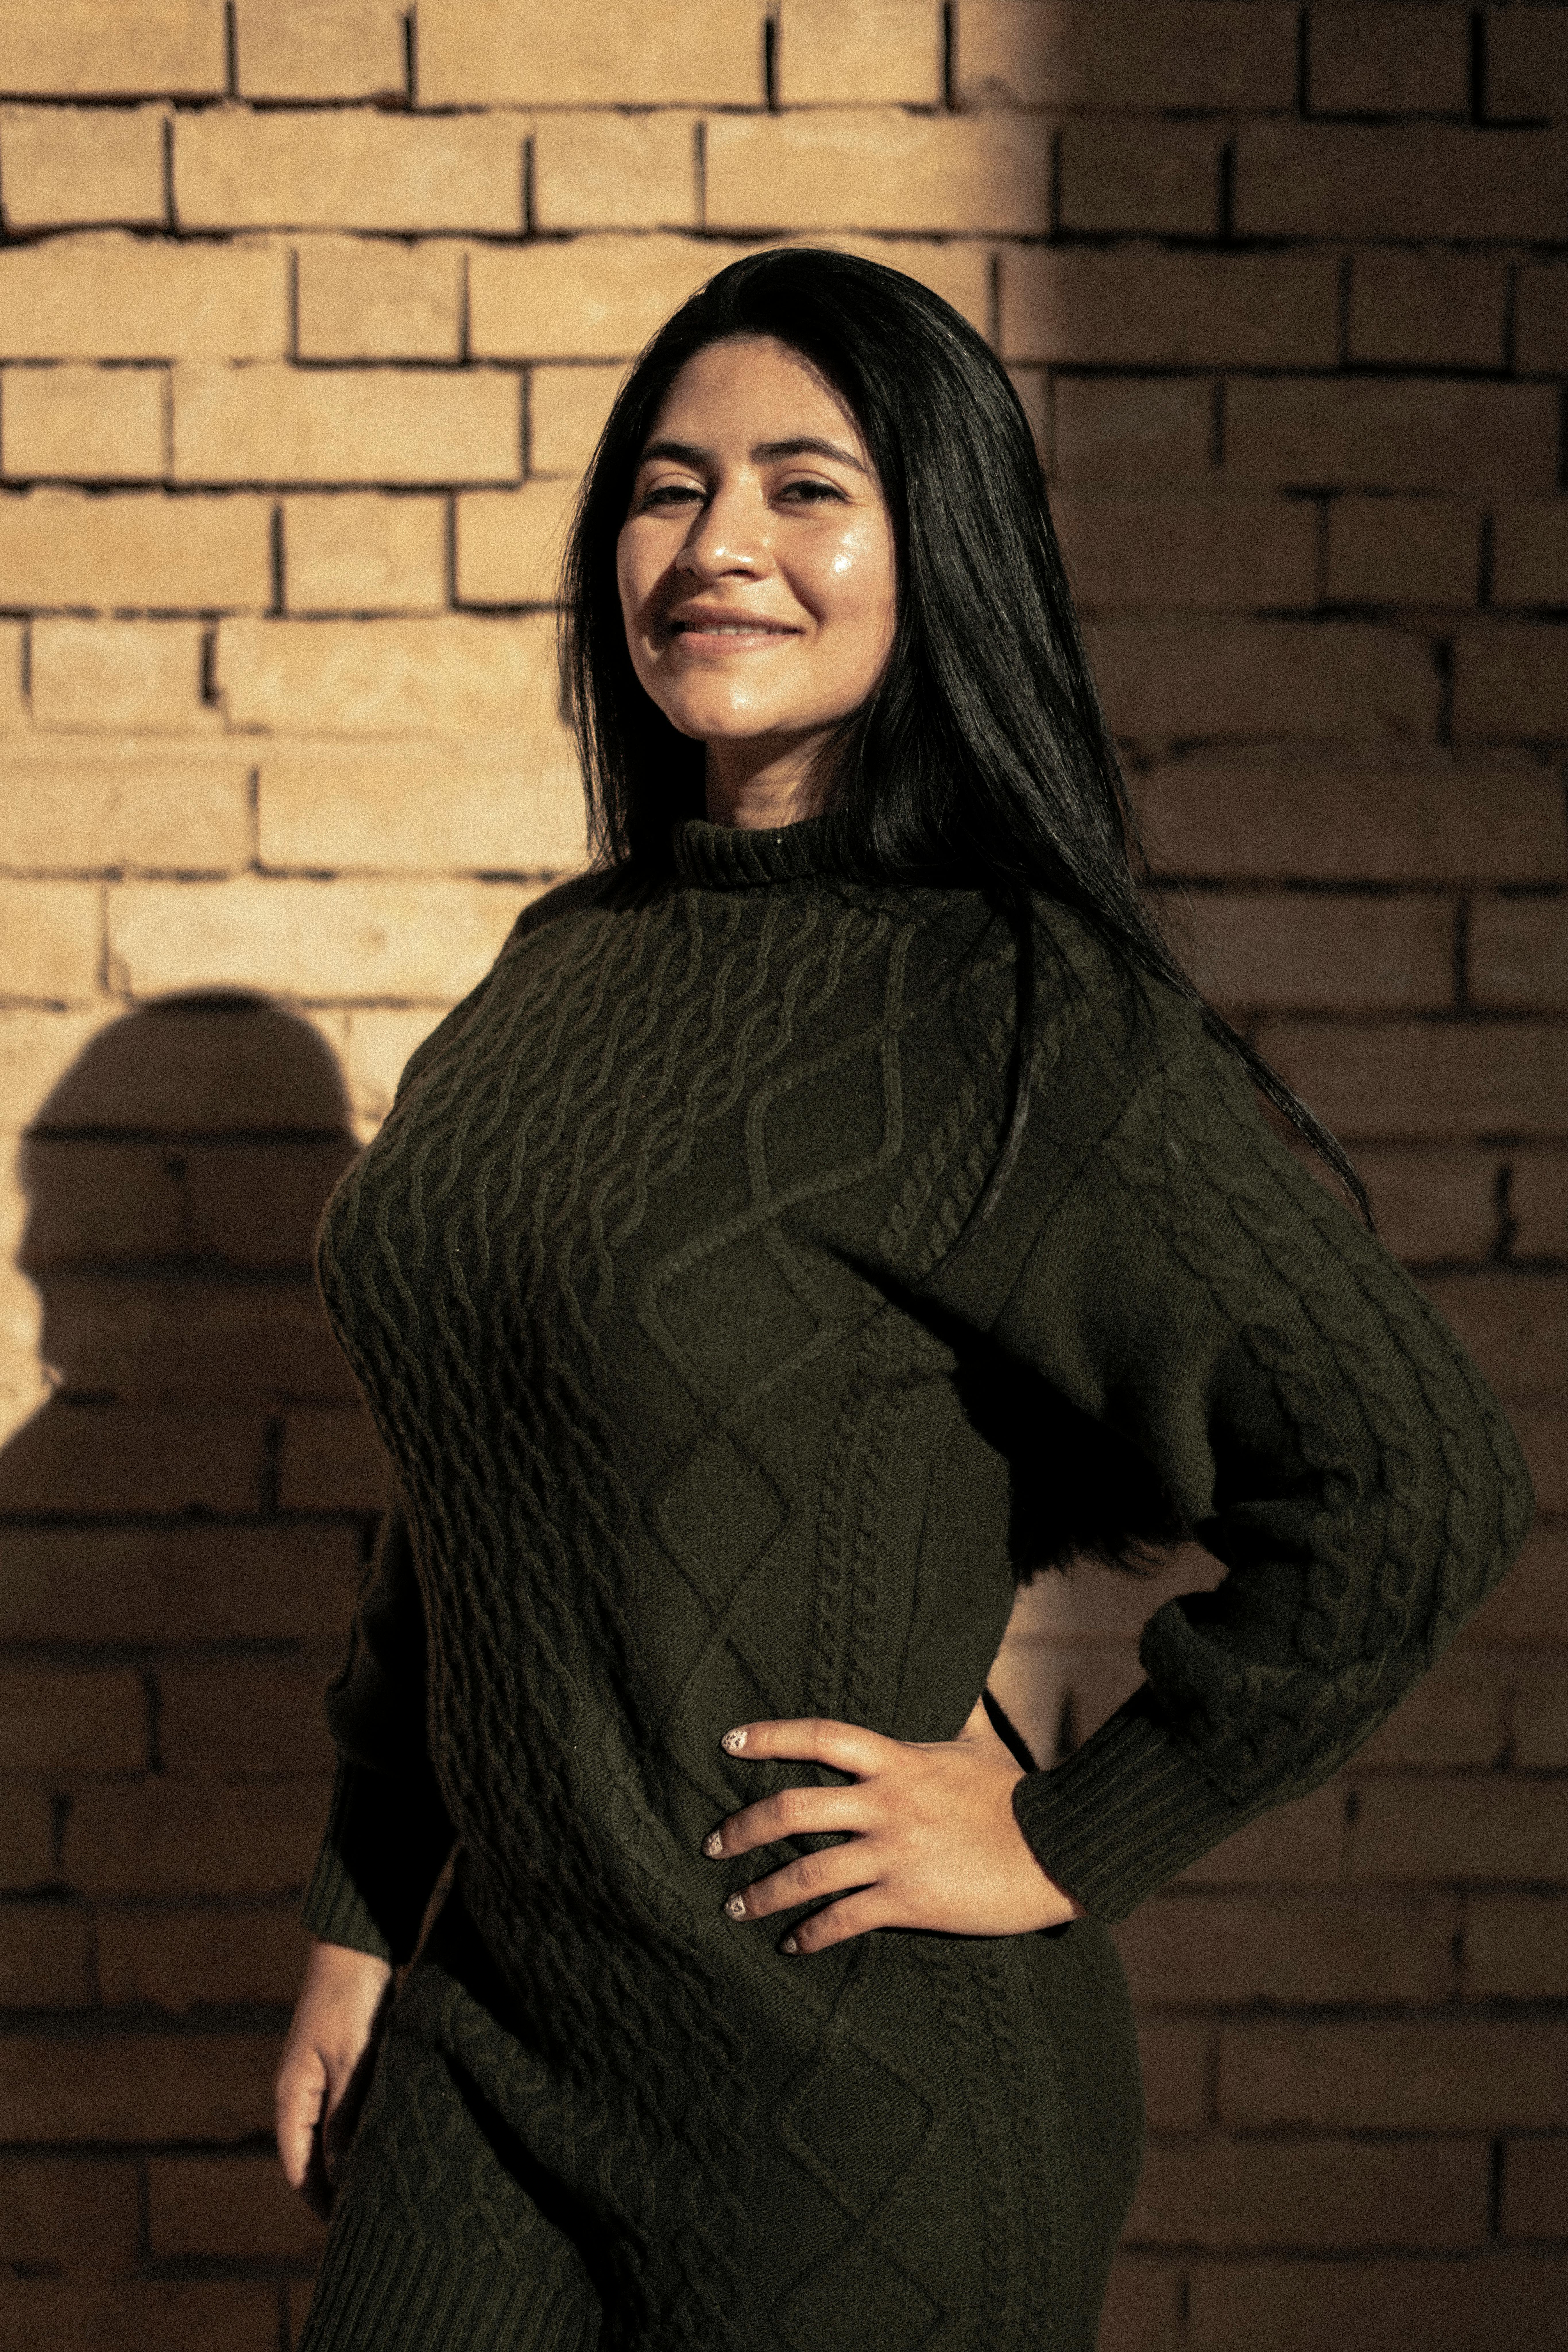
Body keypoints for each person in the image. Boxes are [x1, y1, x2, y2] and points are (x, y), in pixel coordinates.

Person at [274, 249, 1533, 2352]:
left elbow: (1415, 1481)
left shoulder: (1017, 1013)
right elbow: (477, 1481)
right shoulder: (555, 975)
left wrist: (1069, 1832)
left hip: (852, 2100)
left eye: (802, 488)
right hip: (501, 2034)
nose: (718, 548)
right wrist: (356, 1911)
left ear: (931, 544)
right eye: (667, 491)